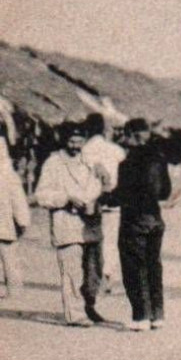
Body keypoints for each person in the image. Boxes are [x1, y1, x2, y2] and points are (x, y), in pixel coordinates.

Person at [34, 123, 108, 325]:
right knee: (72, 271)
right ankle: (75, 314)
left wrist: (101, 187)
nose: (75, 146)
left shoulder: (91, 161)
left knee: (95, 270)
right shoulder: (53, 163)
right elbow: (41, 195)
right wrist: (66, 198)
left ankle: (89, 306)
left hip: (91, 224)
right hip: (66, 224)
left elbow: (104, 185)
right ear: (64, 140)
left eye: (79, 142)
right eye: (71, 141)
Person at [114, 119, 172, 331]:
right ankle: (157, 314)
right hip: (155, 218)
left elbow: (121, 195)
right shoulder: (159, 159)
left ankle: (141, 316)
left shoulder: (128, 163)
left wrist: (103, 195)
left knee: (134, 266)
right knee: (153, 265)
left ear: (132, 135)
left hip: (134, 219)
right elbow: (165, 192)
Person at [81, 114, 124, 293]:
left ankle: (94, 278)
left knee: (92, 241)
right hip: (113, 199)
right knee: (111, 239)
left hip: (90, 200)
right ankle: (109, 277)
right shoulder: (116, 150)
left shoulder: (84, 150)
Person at [0, 132, 31, 299]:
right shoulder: (9, 175)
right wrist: (23, 220)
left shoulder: (8, 175)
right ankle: (14, 291)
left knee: (9, 257)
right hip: (5, 224)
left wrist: (22, 219)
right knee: (10, 258)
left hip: (5, 222)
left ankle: (13, 290)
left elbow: (18, 200)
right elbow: (18, 200)